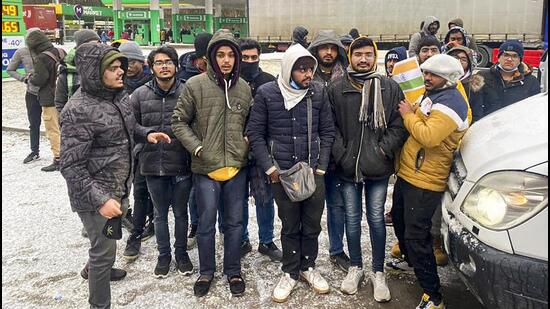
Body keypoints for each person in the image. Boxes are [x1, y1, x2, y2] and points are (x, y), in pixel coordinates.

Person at [59, 42, 170, 309]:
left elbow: (129, 127)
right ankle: (99, 302)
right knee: (103, 250)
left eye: (120, 66)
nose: (121, 71)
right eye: (112, 67)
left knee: (105, 242)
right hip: (95, 195)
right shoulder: (77, 111)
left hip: (118, 185)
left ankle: (97, 268)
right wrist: (100, 200)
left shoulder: (117, 95)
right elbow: (71, 166)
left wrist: (146, 134)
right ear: (94, 71)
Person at [247, 44, 336, 303]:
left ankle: (308, 267)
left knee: (311, 224)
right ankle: (290, 271)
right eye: (301, 69)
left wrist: (321, 166)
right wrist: (270, 168)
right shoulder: (267, 94)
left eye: (310, 69)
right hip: (283, 174)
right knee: (289, 224)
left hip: (313, 172)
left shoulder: (318, 93)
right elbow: (256, 133)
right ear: (288, 70)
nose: (308, 74)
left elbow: (327, 131)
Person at [172, 29, 252, 297]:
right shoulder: (195, 85)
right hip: (206, 168)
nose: (226, 60)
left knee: (234, 224)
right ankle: (206, 272)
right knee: (205, 224)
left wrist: (246, 142)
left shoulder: (243, 88)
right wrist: (197, 147)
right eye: (220, 55)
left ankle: (233, 271)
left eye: (231, 55)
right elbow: (178, 121)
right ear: (210, 57)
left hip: (236, 168)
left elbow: (252, 122)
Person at [328, 37, 408, 300]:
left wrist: (382, 150)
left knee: (375, 219)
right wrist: (342, 155)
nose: (363, 59)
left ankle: (378, 271)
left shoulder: (389, 87)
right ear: (350, 57)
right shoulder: (337, 88)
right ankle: (355, 267)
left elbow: (399, 124)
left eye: (368, 55)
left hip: (378, 168)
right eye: (358, 54)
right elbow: (331, 127)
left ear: (375, 57)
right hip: (348, 168)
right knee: (351, 218)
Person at [390, 54, 470, 309]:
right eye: (425, 73)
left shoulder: (452, 102)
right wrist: (415, 111)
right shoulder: (434, 95)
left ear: (447, 78)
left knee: (417, 236)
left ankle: (433, 295)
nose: (426, 78)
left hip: (425, 180)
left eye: (432, 75)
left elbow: (429, 136)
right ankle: (409, 260)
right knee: (401, 221)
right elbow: (424, 117)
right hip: (410, 173)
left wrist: (407, 115)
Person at [129, 46, 194, 277]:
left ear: (176, 65)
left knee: (180, 212)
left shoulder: (189, 91)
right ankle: (163, 255)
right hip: (152, 164)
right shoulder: (138, 94)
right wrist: (145, 136)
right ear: (151, 66)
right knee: (159, 214)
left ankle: (181, 253)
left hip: (182, 164)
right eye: (159, 62)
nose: (164, 66)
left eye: (168, 61)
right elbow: (130, 125)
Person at [236, 39, 281, 261]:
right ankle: (242, 238)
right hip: (236, 151)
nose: (250, 62)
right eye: (245, 58)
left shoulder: (269, 82)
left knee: (265, 199)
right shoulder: (231, 82)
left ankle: (266, 240)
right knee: (238, 198)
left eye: (254, 57)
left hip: (262, 150)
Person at [176, 32, 213, 250]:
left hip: (214, 146)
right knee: (193, 191)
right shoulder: (185, 78)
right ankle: (196, 225)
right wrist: (194, 144)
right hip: (192, 146)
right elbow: (180, 118)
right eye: (205, 57)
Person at [469, 39, 540, 122]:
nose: (509, 59)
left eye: (514, 56)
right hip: (487, 128)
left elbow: (534, 111)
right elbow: (474, 108)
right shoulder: (480, 77)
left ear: (520, 60)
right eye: (506, 55)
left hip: (515, 129)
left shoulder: (531, 81)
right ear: (498, 58)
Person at [26, 30, 66, 172]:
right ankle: (69, 155)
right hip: (64, 95)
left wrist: (30, 78)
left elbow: (40, 79)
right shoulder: (60, 52)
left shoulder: (41, 58)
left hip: (49, 98)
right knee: (64, 128)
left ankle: (59, 159)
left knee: (53, 129)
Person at [6, 28, 43, 164]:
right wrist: (23, 79)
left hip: (49, 92)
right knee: (34, 123)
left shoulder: (47, 50)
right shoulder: (21, 52)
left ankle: (59, 153)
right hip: (32, 93)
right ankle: (34, 151)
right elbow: (10, 69)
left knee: (55, 123)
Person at [55, 29, 101, 113]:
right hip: (76, 120)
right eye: (91, 45)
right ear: (80, 47)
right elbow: (60, 103)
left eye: (98, 43)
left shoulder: (105, 67)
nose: (96, 48)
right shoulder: (67, 71)